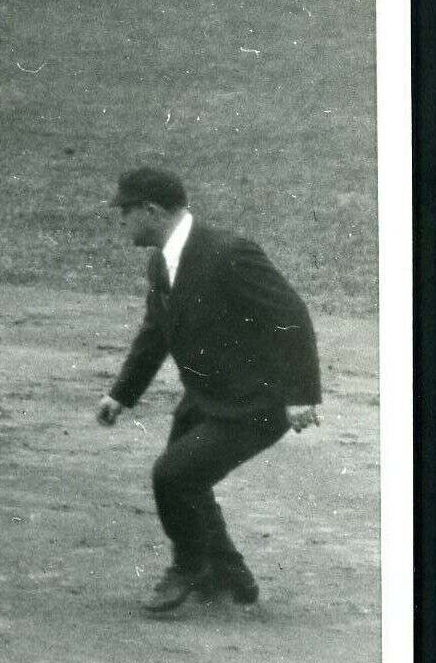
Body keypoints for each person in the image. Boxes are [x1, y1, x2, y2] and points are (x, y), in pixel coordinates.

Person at [94, 167, 321, 613]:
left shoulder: (229, 253)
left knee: (174, 476)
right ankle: (231, 575)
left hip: (257, 402)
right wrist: (121, 394)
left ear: (152, 210)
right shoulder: (161, 260)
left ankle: (189, 566)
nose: (120, 221)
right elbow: (155, 334)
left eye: (125, 211)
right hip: (207, 399)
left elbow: (292, 316)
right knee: (187, 480)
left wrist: (300, 395)